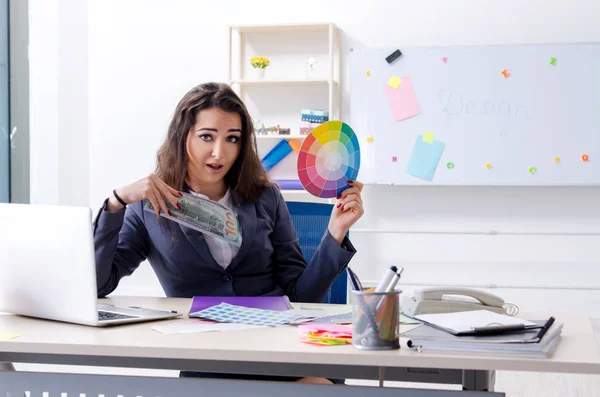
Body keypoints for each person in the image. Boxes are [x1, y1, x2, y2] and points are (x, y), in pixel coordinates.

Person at [93, 82, 365, 384]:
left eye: (232, 139)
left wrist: (335, 232)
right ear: (182, 137)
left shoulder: (265, 197)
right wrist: (115, 203)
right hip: (209, 356)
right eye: (206, 136)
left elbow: (301, 296)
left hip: (278, 347)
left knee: (316, 386)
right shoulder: (148, 206)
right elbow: (100, 284)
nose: (219, 152)